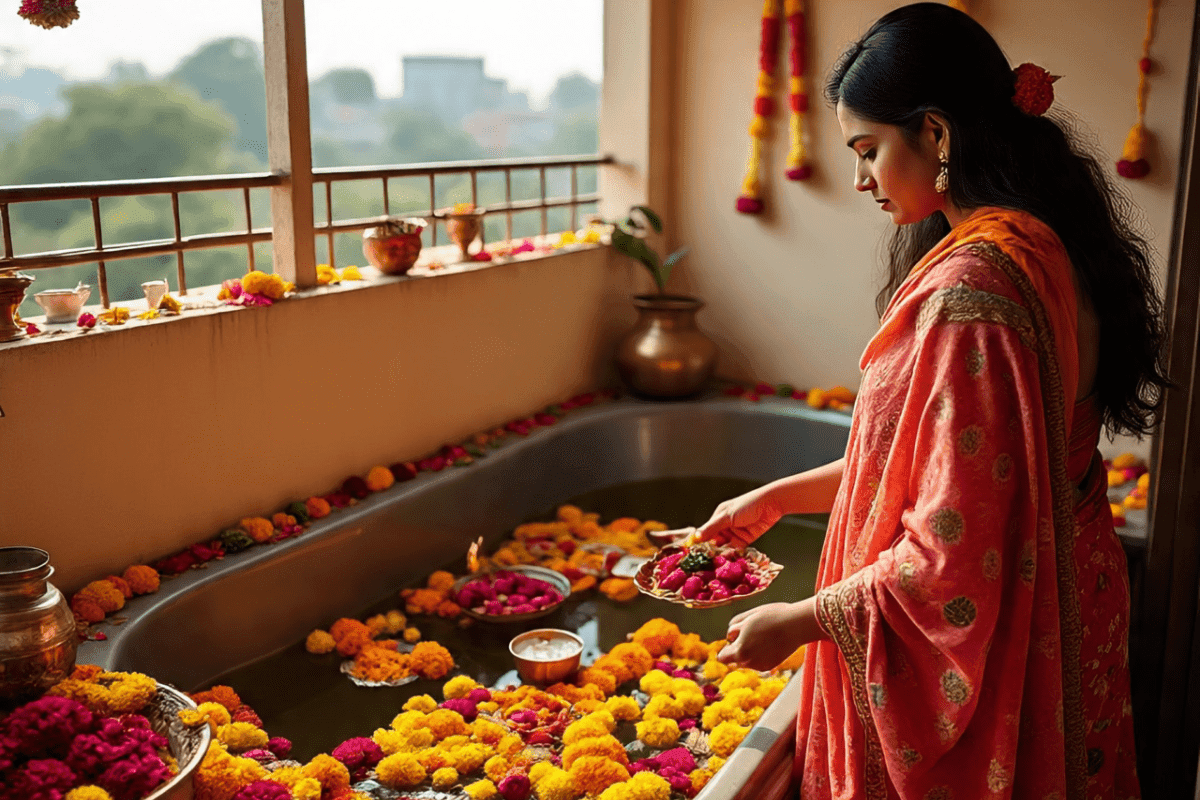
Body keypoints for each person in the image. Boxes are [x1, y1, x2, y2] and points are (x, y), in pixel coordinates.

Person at [694, 4, 1170, 799]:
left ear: (938, 135)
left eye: (869, 150)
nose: (860, 180)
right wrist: (775, 495)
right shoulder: (1046, 241)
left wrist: (802, 620)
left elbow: (949, 553)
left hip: (1010, 629)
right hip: (1072, 595)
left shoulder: (973, 292)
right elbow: (954, 471)